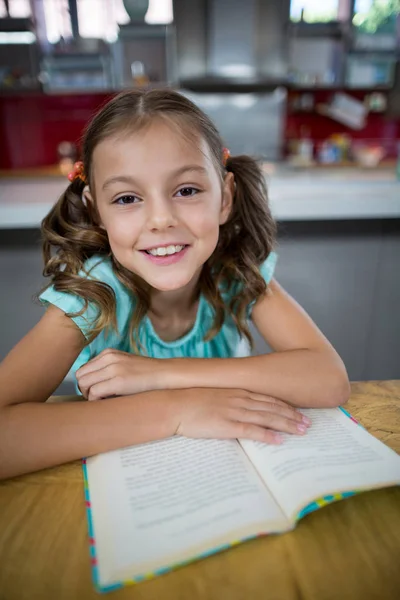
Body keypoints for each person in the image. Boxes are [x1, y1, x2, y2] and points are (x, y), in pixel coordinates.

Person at [0, 89, 350, 480]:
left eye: (186, 190)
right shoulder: (92, 294)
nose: (161, 219)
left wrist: (162, 374)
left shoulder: (237, 271)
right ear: (95, 210)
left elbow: (328, 379)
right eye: (127, 198)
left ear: (225, 197)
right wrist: (178, 409)